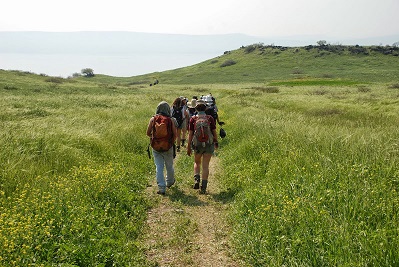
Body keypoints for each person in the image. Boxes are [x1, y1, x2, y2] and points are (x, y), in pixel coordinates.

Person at [187, 99, 218, 194]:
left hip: (197, 145)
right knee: (205, 166)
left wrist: (188, 147)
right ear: (205, 108)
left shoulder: (193, 119)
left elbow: (190, 134)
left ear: (195, 108)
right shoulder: (210, 118)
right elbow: (214, 132)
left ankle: (197, 179)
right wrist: (216, 142)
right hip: (208, 144)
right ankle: (203, 187)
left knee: (197, 163)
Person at [146, 101, 177, 195]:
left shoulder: (153, 119)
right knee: (169, 165)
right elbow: (175, 135)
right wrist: (171, 142)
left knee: (159, 167)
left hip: (156, 146)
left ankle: (161, 188)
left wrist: (155, 138)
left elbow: (148, 133)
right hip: (168, 146)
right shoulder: (171, 120)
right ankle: (170, 182)